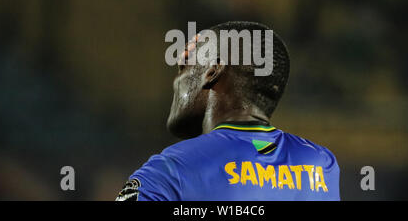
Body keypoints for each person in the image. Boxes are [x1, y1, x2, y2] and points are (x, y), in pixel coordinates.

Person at [116, 21, 340, 201]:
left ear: (212, 72)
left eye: (185, 66)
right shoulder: (321, 164)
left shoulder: (171, 170)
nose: (177, 81)